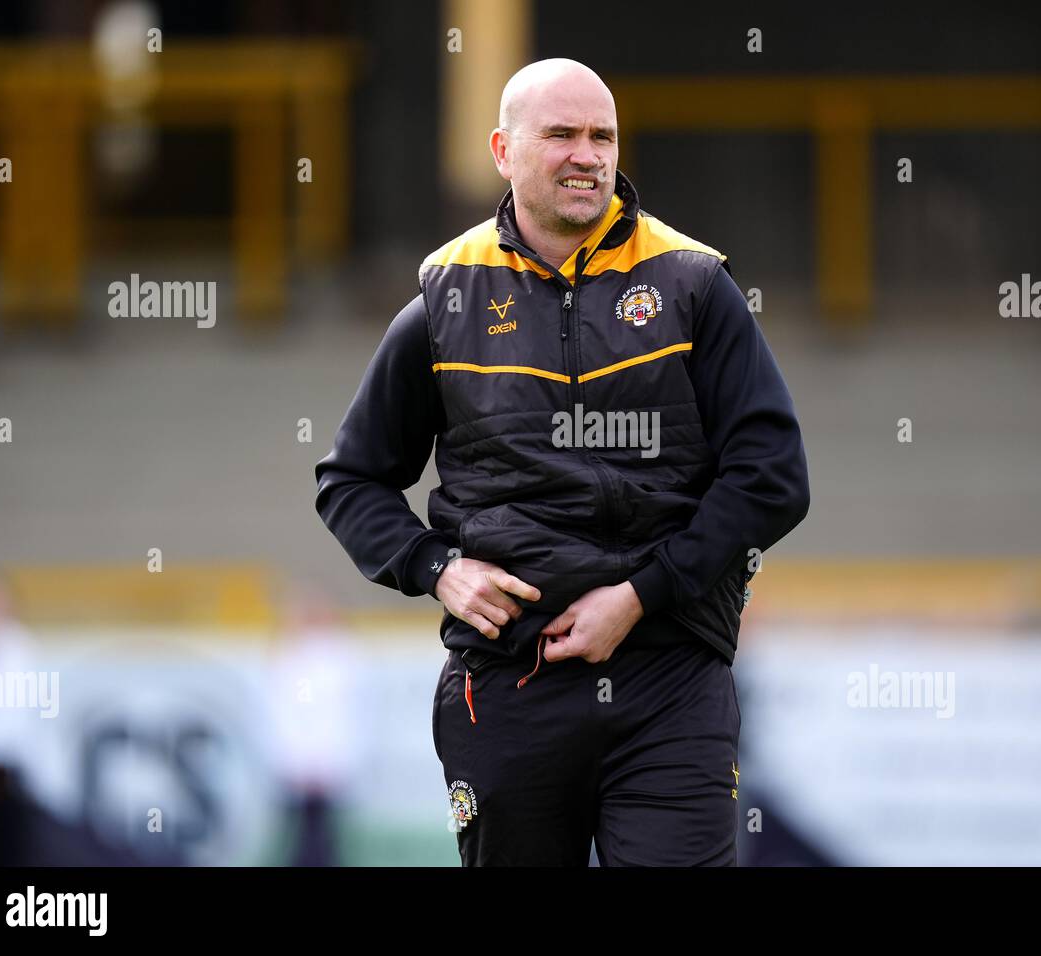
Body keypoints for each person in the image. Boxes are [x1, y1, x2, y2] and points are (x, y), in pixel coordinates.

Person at [315, 58, 809, 866]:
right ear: (503, 151)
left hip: (670, 677)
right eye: (562, 135)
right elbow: (350, 479)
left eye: (602, 136)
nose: (588, 154)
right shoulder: (445, 296)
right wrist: (437, 568)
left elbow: (774, 476)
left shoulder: (693, 283)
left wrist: (642, 595)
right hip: (508, 681)